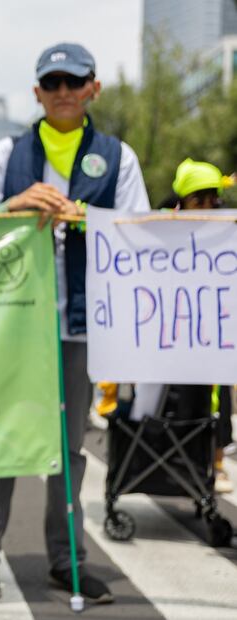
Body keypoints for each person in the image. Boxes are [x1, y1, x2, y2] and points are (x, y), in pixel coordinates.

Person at [0, 42, 150, 603]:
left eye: (74, 81)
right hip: (12, 326)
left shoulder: (119, 157)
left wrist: (85, 216)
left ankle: (66, 559)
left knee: (68, 449)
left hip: (80, 326)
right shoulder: (7, 153)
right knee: (2, 436)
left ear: (94, 88)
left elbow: (140, 232)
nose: (63, 92)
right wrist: (14, 206)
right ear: (37, 93)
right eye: (53, 83)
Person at [170, 158, 234, 493]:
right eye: (199, 200)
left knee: (219, 398)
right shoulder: (164, 229)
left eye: (213, 200)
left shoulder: (228, 232)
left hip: (215, 334)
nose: (208, 207)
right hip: (173, 333)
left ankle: (217, 462)